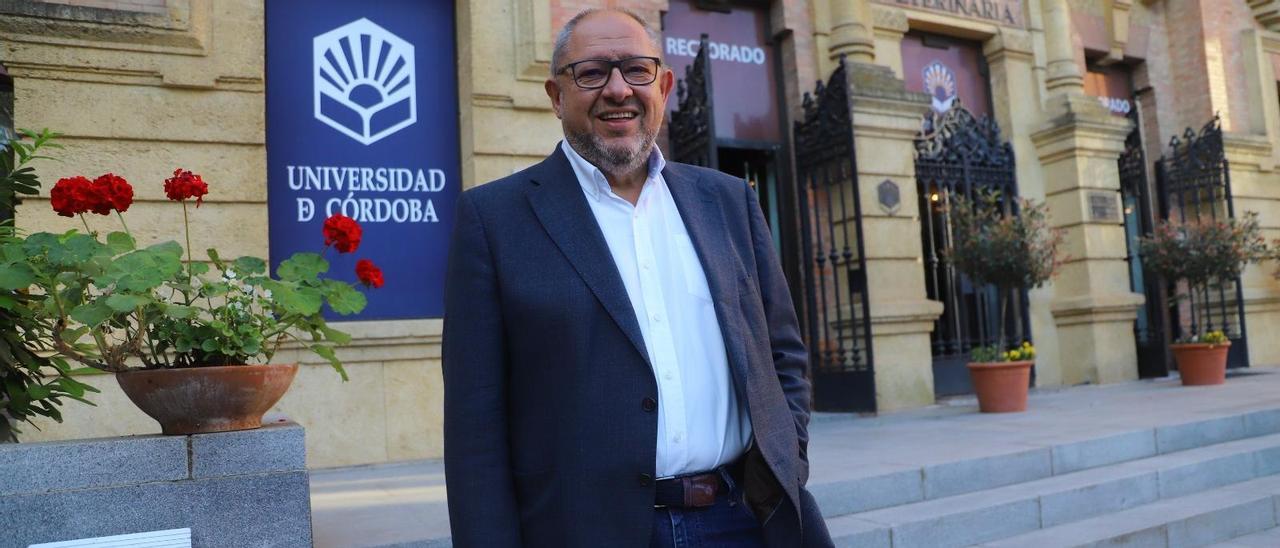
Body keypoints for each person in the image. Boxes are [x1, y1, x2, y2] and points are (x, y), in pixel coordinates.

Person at [442, 8, 832, 547]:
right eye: (592, 73)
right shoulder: (494, 220)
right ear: (556, 95)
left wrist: (789, 457)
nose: (618, 89)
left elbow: (781, 354)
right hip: (584, 531)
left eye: (636, 70)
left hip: (741, 520)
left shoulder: (729, 201)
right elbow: (474, 425)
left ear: (664, 86)